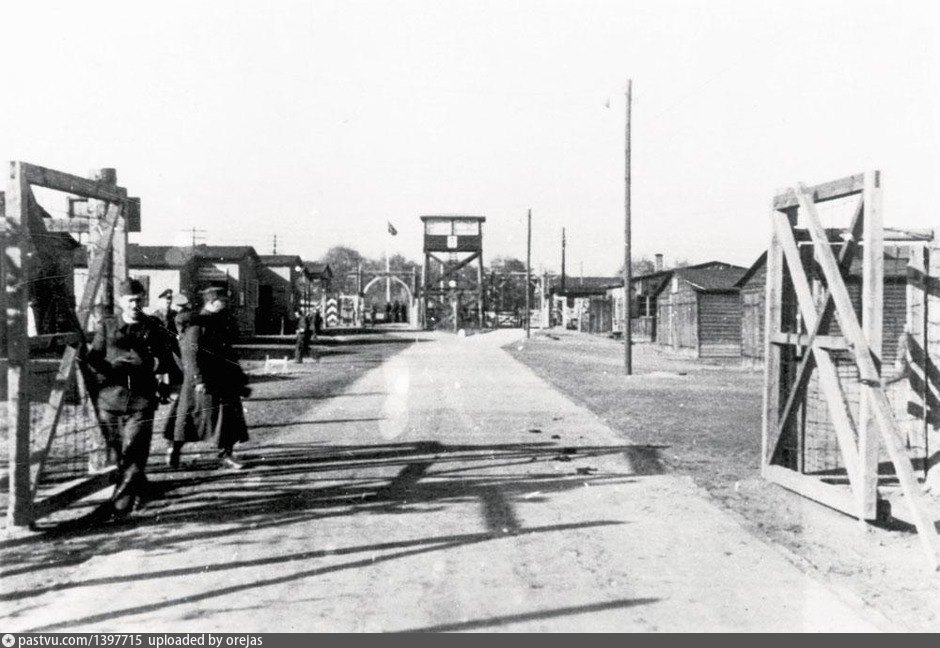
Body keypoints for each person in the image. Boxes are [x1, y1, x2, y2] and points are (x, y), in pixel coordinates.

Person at [86, 278, 176, 517]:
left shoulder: (154, 325)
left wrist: (148, 363)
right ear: (120, 301)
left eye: (138, 300)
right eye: (129, 300)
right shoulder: (107, 326)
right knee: (118, 454)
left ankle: (121, 506)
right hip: (109, 400)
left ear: (143, 300)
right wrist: (111, 366)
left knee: (135, 449)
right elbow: (93, 359)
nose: (134, 305)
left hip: (141, 400)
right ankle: (140, 488)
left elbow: (167, 360)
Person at [185, 287, 251, 469]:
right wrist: (199, 379)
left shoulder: (219, 320)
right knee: (198, 418)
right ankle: (174, 447)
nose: (226, 303)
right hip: (211, 378)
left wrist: (239, 376)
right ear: (212, 302)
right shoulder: (199, 323)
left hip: (225, 377)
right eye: (223, 301)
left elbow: (228, 351)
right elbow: (192, 354)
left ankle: (226, 454)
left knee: (227, 416)